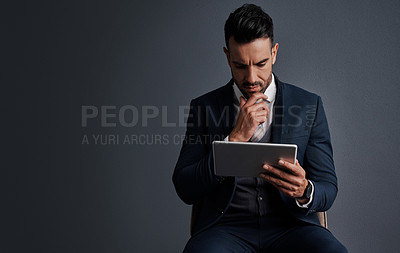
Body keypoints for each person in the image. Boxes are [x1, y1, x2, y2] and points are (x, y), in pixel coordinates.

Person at [173, 4, 347, 253]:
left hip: (293, 227)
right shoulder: (204, 107)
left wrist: (304, 190)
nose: (252, 78)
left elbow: (328, 188)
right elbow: (184, 186)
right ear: (227, 57)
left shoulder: (309, 105)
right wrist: (233, 140)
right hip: (225, 229)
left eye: (261, 63)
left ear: (274, 53)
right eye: (240, 66)